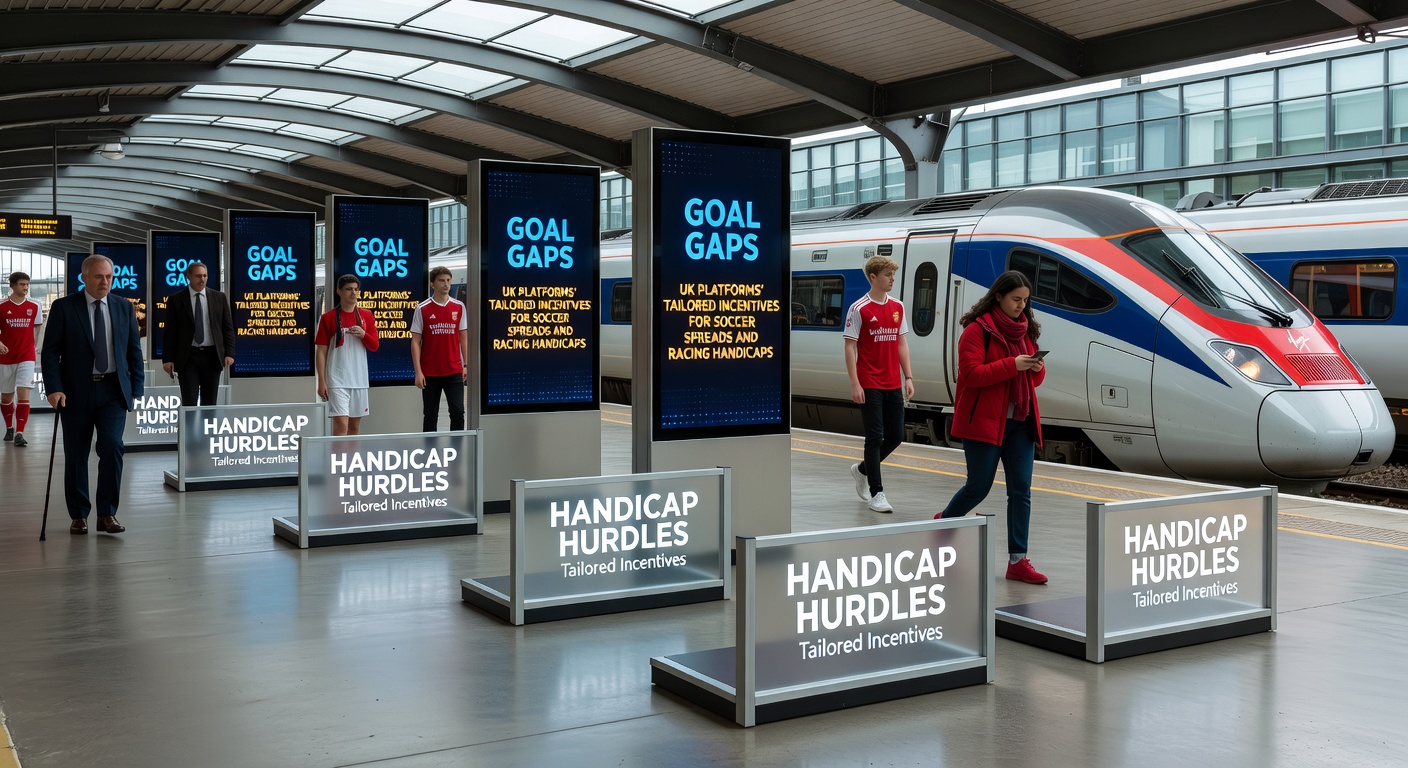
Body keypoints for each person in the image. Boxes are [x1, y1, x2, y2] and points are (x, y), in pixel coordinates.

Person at [936, 270, 1048, 584]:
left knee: (1021, 491)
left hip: (1020, 423)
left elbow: (1035, 380)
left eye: (1025, 301)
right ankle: (944, 523)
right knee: (979, 486)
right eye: (1016, 299)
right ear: (998, 295)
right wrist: (1013, 365)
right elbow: (971, 375)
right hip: (984, 423)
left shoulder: (1027, 330)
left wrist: (1035, 368)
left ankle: (1018, 560)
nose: (1021, 306)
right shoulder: (976, 330)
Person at [40, 255, 144, 535]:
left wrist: (136, 388)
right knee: (76, 453)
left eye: (109, 276)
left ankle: (107, 513)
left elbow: (133, 350)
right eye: (99, 276)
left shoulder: (123, 307)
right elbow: (50, 351)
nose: (105, 282)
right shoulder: (64, 307)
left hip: (113, 390)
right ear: (84, 277)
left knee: (112, 447)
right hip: (75, 392)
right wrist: (54, 387)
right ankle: (79, 514)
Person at [843, 255, 914, 514]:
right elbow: (850, 347)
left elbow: (901, 343)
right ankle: (877, 493)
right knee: (874, 436)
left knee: (895, 436)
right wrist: (855, 383)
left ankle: (861, 470)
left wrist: (908, 376)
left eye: (893, 275)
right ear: (873, 278)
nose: (892, 279)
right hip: (869, 381)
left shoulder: (897, 307)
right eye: (887, 275)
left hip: (892, 382)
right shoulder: (859, 308)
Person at [160, 261, 235, 406]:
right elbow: (170, 331)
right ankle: (190, 428)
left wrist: (229, 353)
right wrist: (167, 359)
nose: (202, 280)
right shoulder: (176, 299)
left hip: (212, 355)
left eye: (205, 276)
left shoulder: (219, 298)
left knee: (210, 401)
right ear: (188, 276)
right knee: (189, 400)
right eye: (198, 276)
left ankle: (207, 428)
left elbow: (227, 328)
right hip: (188, 356)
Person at [315, 274, 379, 436]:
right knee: (341, 425)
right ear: (339, 291)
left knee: (353, 428)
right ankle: (336, 461)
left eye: (356, 290)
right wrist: (322, 381)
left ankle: (350, 461)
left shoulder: (366, 316)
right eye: (349, 289)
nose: (353, 293)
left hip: (359, 380)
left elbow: (374, 346)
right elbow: (321, 350)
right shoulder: (328, 317)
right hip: (337, 380)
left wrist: (364, 334)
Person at [410, 266, 468, 432]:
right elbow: (415, 341)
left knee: (458, 411)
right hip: (430, 372)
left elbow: (463, 337)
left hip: (454, 370)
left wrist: (466, 365)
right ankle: (430, 451)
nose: (446, 284)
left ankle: (456, 449)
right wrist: (418, 372)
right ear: (432, 283)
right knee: (430, 415)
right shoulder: (422, 308)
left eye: (448, 280)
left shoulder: (459, 307)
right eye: (442, 280)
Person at [1, 271, 44, 448]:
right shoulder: (2, 306)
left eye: (27, 284)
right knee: (6, 397)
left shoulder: (35, 305)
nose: (25, 287)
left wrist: (34, 348)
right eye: (21, 284)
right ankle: (9, 427)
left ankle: (20, 432)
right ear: (12, 286)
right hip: (5, 357)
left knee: (24, 392)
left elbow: (37, 328)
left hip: (26, 356)